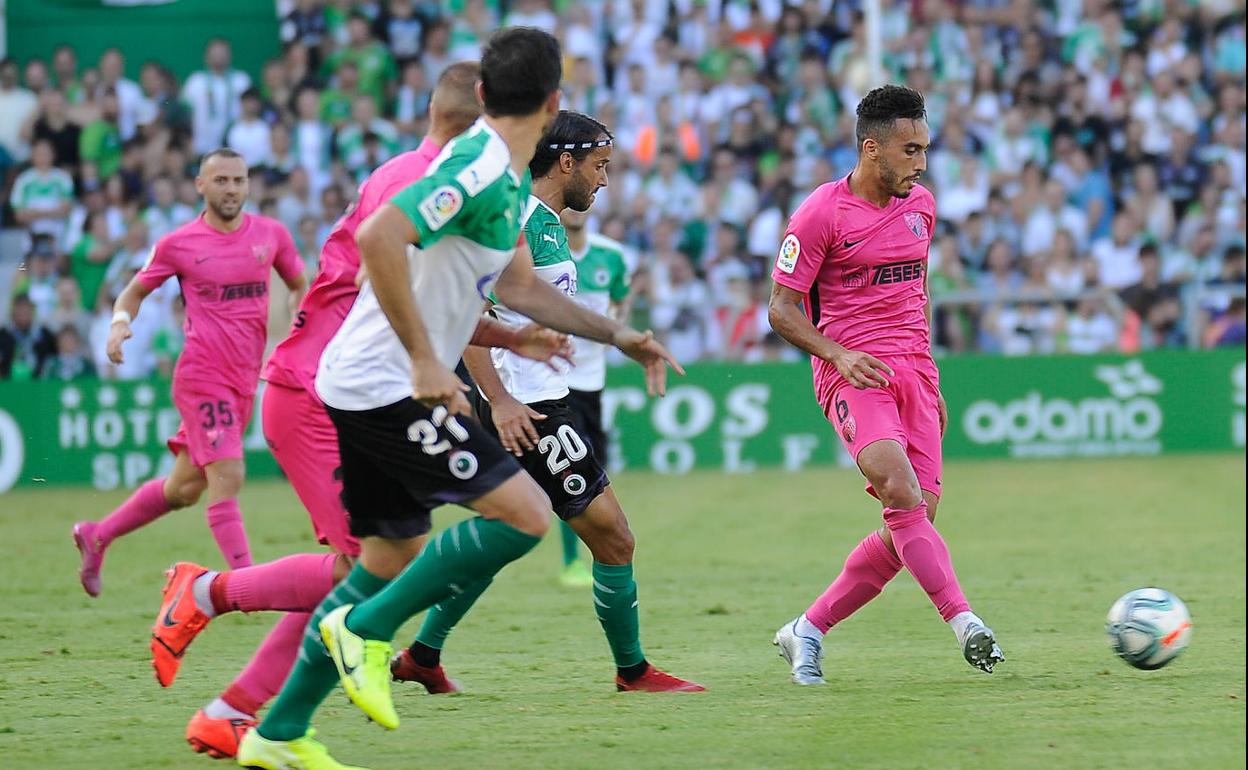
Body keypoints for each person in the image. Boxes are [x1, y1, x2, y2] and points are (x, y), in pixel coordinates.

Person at [237, 28, 681, 770]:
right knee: (524, 516)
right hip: (384, 384)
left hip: (369, 379)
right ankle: (368, 632)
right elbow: (381, 236)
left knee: (387, 557)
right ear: (554, 103)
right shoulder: (477, 168)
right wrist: (423, 357)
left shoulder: (505, 180)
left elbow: (519, 288)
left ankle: (276, 729)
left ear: (484, 94)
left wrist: (617, 336)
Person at [152, 61, 563, 761]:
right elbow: (394, 294)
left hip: (341, 384)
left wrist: (506, 335)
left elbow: (436, 306)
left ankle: (242, 704)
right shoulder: (434, 183)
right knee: (366, 568)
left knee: (370, 564)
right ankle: (213, 611)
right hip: (325, 388)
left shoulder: (429, 174)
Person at [398, 110, 702, 695]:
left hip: (539, 398)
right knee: (613, 538)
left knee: (507, 530)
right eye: (600, 165)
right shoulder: (512, 216)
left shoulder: (547, 223)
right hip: (528, 409)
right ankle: (632, 671)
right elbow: (470, 317)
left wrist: (620, 339)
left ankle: (422, 654)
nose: (606, 180)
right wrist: (502, 398)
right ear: (567, 161)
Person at [767, 85, 1005, 685]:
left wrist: (930, 377)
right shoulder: (820, 213)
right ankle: (965, 621)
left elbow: (914, 296)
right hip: (854, 374)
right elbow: (781, 309)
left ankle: (808, 630)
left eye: (924, 148)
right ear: (872, 149)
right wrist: (837, 354)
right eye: (910, 149)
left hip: (915, 374)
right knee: (899, 489)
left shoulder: (922, 206)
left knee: (912, 522)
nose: (921, 162)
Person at [71, 148, 308, 598]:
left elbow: (300, 284)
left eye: (239, 180)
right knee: (230, 474)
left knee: (184, 488)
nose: (232, 189)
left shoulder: (271, 235)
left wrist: (300, 314)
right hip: (202, 376)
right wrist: (120, 327)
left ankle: (97, 534)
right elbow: (132, 293)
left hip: (242, 380)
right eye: (221, 181)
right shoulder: (179, 244)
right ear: (200, 185)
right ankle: (250, 585)